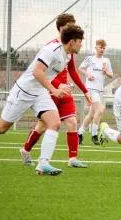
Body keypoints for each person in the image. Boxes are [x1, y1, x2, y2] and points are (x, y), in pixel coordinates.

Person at [0, 25, 85, 175]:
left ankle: (43, 163)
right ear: (71, 42)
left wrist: (58, 87)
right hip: (23, 91)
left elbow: (48, 75)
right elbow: (37, 71)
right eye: (79, 41)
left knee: (55, 123)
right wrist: (54, 90)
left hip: (39, 92)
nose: (81, 44)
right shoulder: (52, 50)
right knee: (2, 128)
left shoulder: (67, 55)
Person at [20, 14, 92, 168]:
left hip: (64, 91)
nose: (74, 29)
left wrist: (85, 90)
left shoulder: (70, 48)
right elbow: (40, 72)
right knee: (43, 126)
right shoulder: (51, 47)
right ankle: (25, 150)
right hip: (50, 90)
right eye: (70, 26)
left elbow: (72, 70)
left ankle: (72, 159)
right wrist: (56, 85)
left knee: (72, 122)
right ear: (61, 28)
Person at [77, 39, 113, 145]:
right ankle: (94, 135)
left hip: (100, 90)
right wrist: (88, 75)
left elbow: (111, 74)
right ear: (96, 47)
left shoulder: (106, 61)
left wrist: (106, 72)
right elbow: (80, 68)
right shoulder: (90, 59)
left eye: (104, 48)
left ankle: (79, 133)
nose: (102, 49)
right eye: (100, 47)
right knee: (100, 110)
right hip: (91, 89)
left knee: (92, 114)